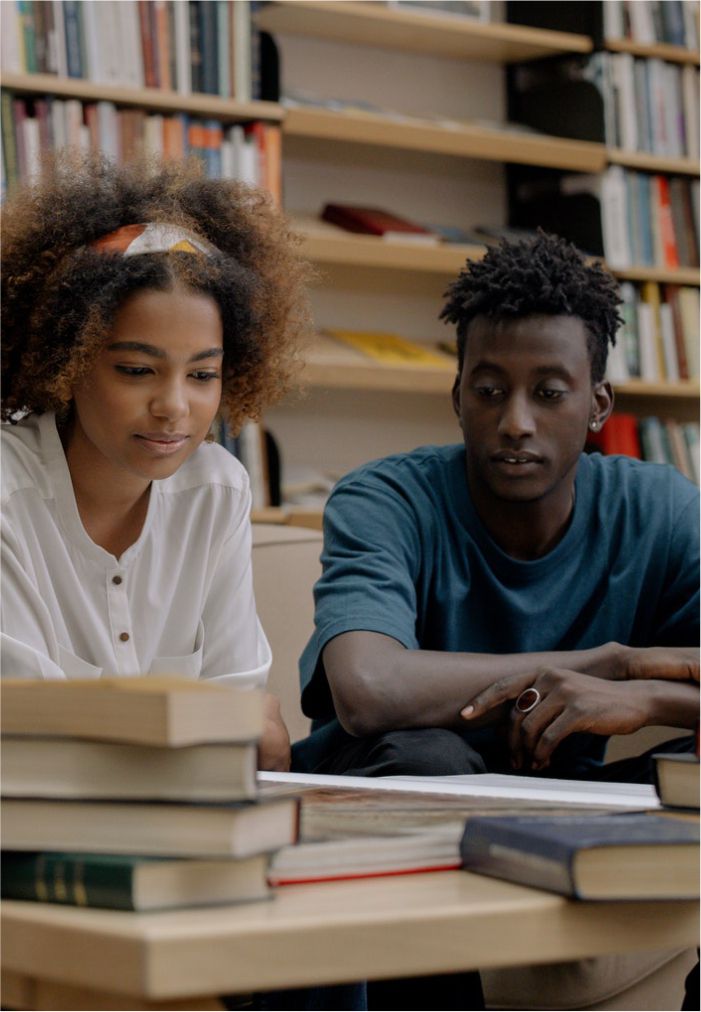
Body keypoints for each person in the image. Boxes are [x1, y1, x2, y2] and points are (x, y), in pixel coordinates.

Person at [292, 231, 699, 1010]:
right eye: (488, 390)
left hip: (564, 807)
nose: (514, 421)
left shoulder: (660, 511)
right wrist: (601, 664)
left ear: (596, 404)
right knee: (429, 760)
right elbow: (367, 688)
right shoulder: (386, 498)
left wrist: (645, 695)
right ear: (456, 397)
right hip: (398, 793)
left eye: (548, 392)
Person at [1, 154, 316, 768]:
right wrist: (202, 724)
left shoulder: (218, 490)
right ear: (67, 362)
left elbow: (252, 735)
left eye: (202, 375)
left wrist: (218, 725)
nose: (174, 407)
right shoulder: (8, 492)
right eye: (137, 370)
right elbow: (23, 739)